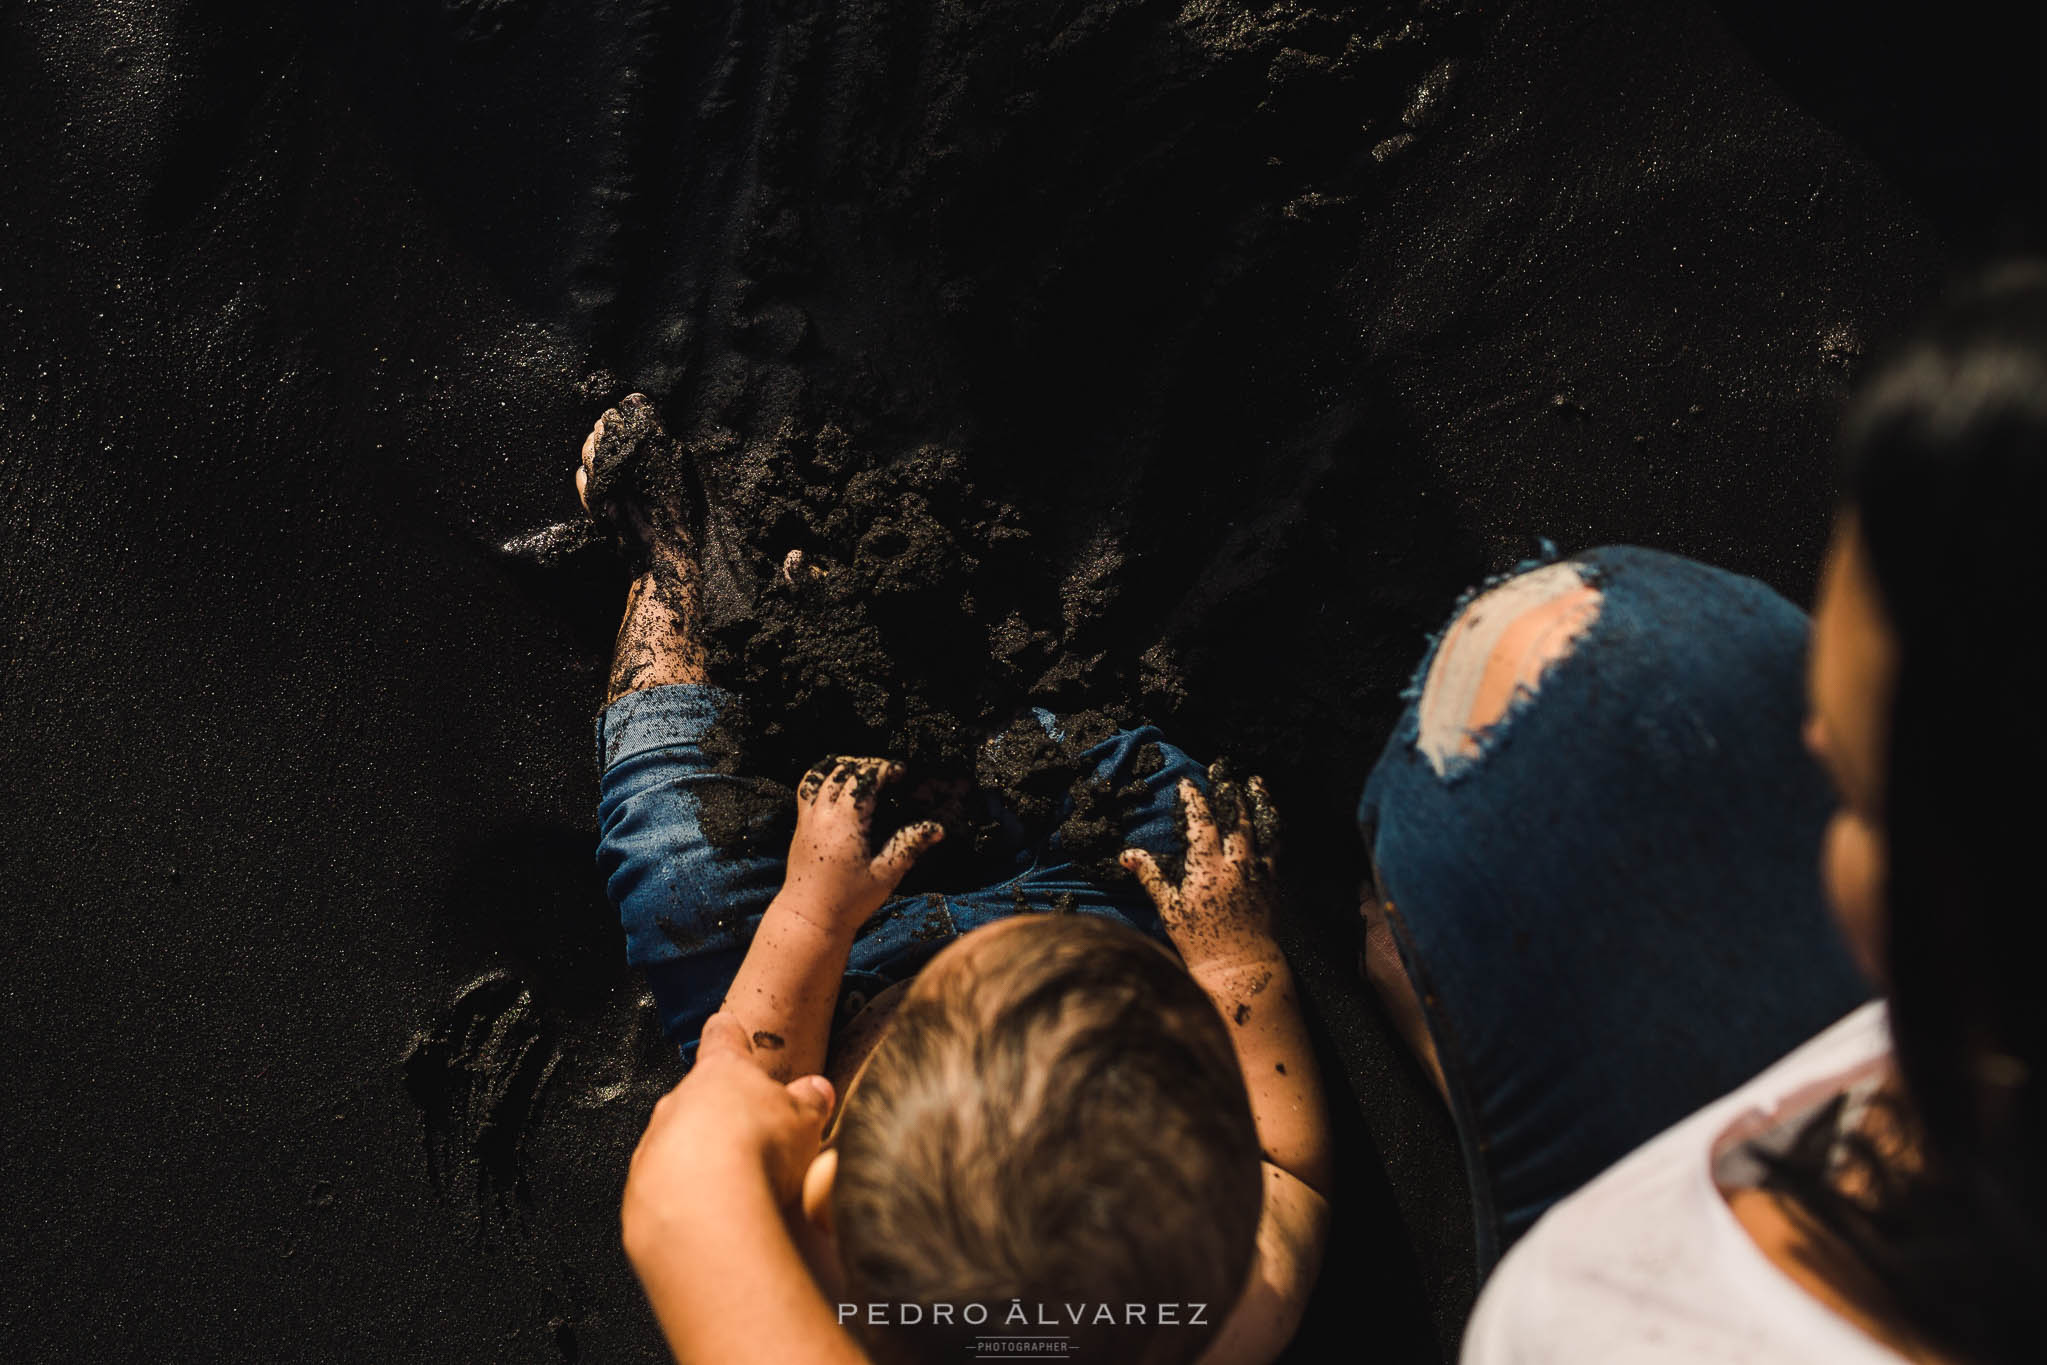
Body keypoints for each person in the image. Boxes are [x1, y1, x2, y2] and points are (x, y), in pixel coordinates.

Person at [1367, 265, 2047, 1361]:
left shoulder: (1585, 1325)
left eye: (1850, 795)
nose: (1808, 758)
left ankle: (1478, 1068)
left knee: (1550, 686)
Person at [578, 397, 1332, 1364]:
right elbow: (1291, 1167)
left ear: (819, 1199)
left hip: (815, 1000)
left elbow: (735, 1098)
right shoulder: (1223, 1308)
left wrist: (811, 909)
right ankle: (978, 699)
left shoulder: (796, 1292)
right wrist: (1233, 960)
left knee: (676, 863)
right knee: (1169, 806)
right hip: (1087, 905)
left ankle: (675, 563)